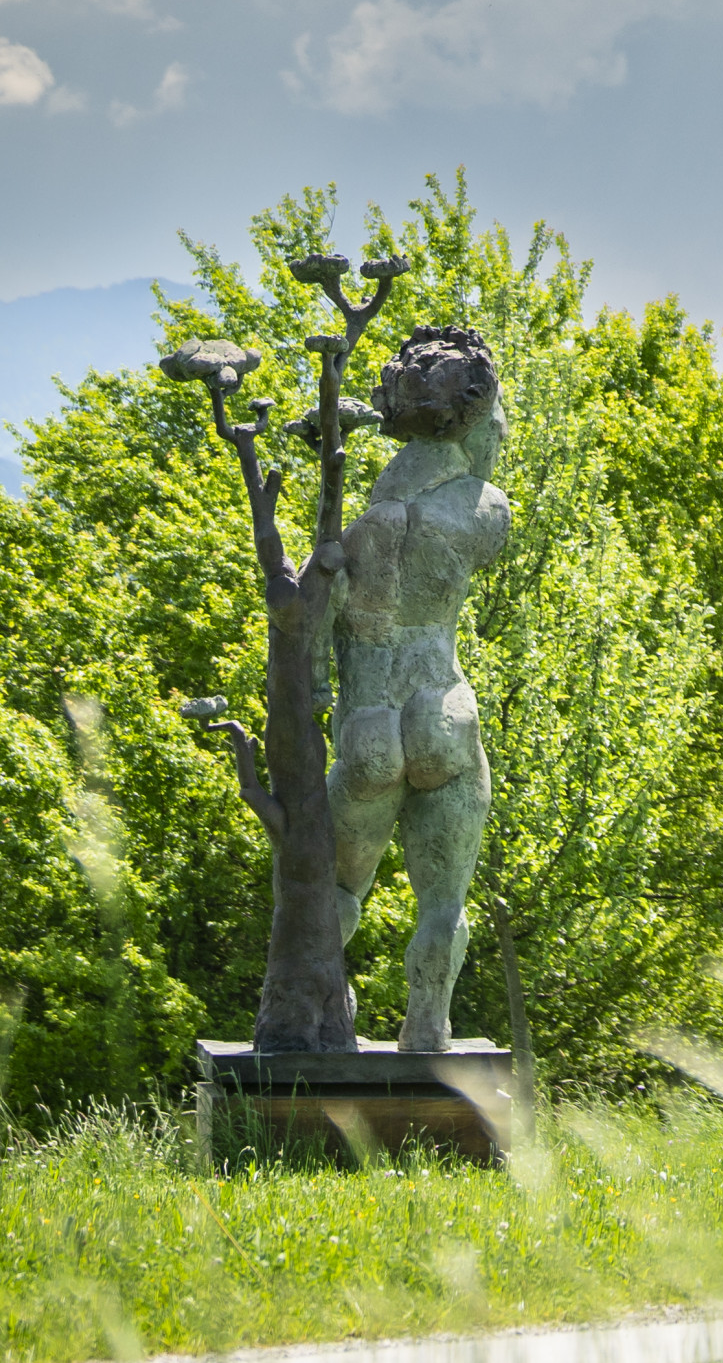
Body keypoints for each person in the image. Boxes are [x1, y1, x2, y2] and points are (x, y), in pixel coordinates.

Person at [325, 324, 511, 1052]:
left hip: (370, 714)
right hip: (443, 707)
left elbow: (316, 629)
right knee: (444, 903)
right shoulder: (479, 513)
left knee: (338, 893)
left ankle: (326, 1009)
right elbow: (485, 463)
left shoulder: (356, 533)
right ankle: (427, 1023)